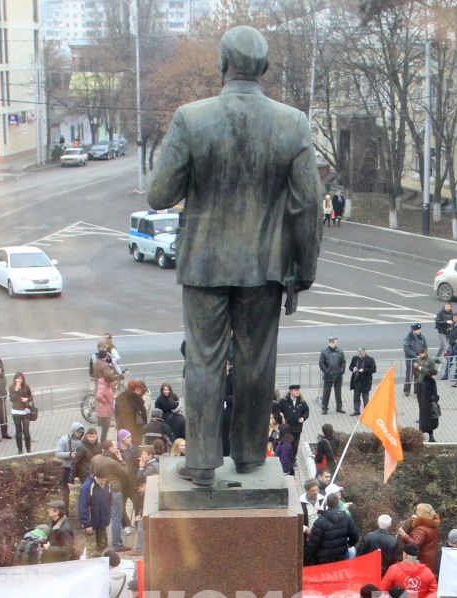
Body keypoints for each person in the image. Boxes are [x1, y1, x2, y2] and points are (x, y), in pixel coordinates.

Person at [147, 25, 322, 487]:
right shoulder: (293, 123)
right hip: (265, 268)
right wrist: (302, 271)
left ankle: (201, 461)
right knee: (257, 362)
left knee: (202, 360)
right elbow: (307, 206)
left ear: (222, 64)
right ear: (264, 69)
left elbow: (159, 193)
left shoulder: (191, 118)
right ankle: (247, 455)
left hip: (204, 263)